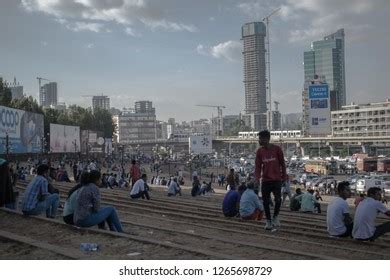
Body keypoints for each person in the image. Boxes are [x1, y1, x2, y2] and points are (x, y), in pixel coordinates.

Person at [255, 130, 287, 230]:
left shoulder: (277, 149)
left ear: (267, 139)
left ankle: (275, 217)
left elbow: (283, 164)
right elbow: (258, 167)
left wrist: (284, 177)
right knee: (265, 202)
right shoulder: (259, 151)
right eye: (259, 139)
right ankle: (268, 221)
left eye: (261, 139)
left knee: (278, 200)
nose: (259, 141)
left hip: (277, 179)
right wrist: (257, 178)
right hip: (265, 181)